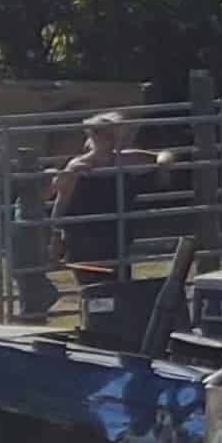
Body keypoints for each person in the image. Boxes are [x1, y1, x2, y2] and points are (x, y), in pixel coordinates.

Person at [48, 111, 162, 326]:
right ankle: (95, 330)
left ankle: (117, 331)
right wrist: (55, 238)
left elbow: (161, 157)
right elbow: (60, 203)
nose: (107, 139)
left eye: (112, 134)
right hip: (84, 241)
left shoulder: (127, 159)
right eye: (101, 134)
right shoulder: (77, 166)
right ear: (91, 136)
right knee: (94, 292)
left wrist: (164, 162)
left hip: (117, 240)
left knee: (121, 290)